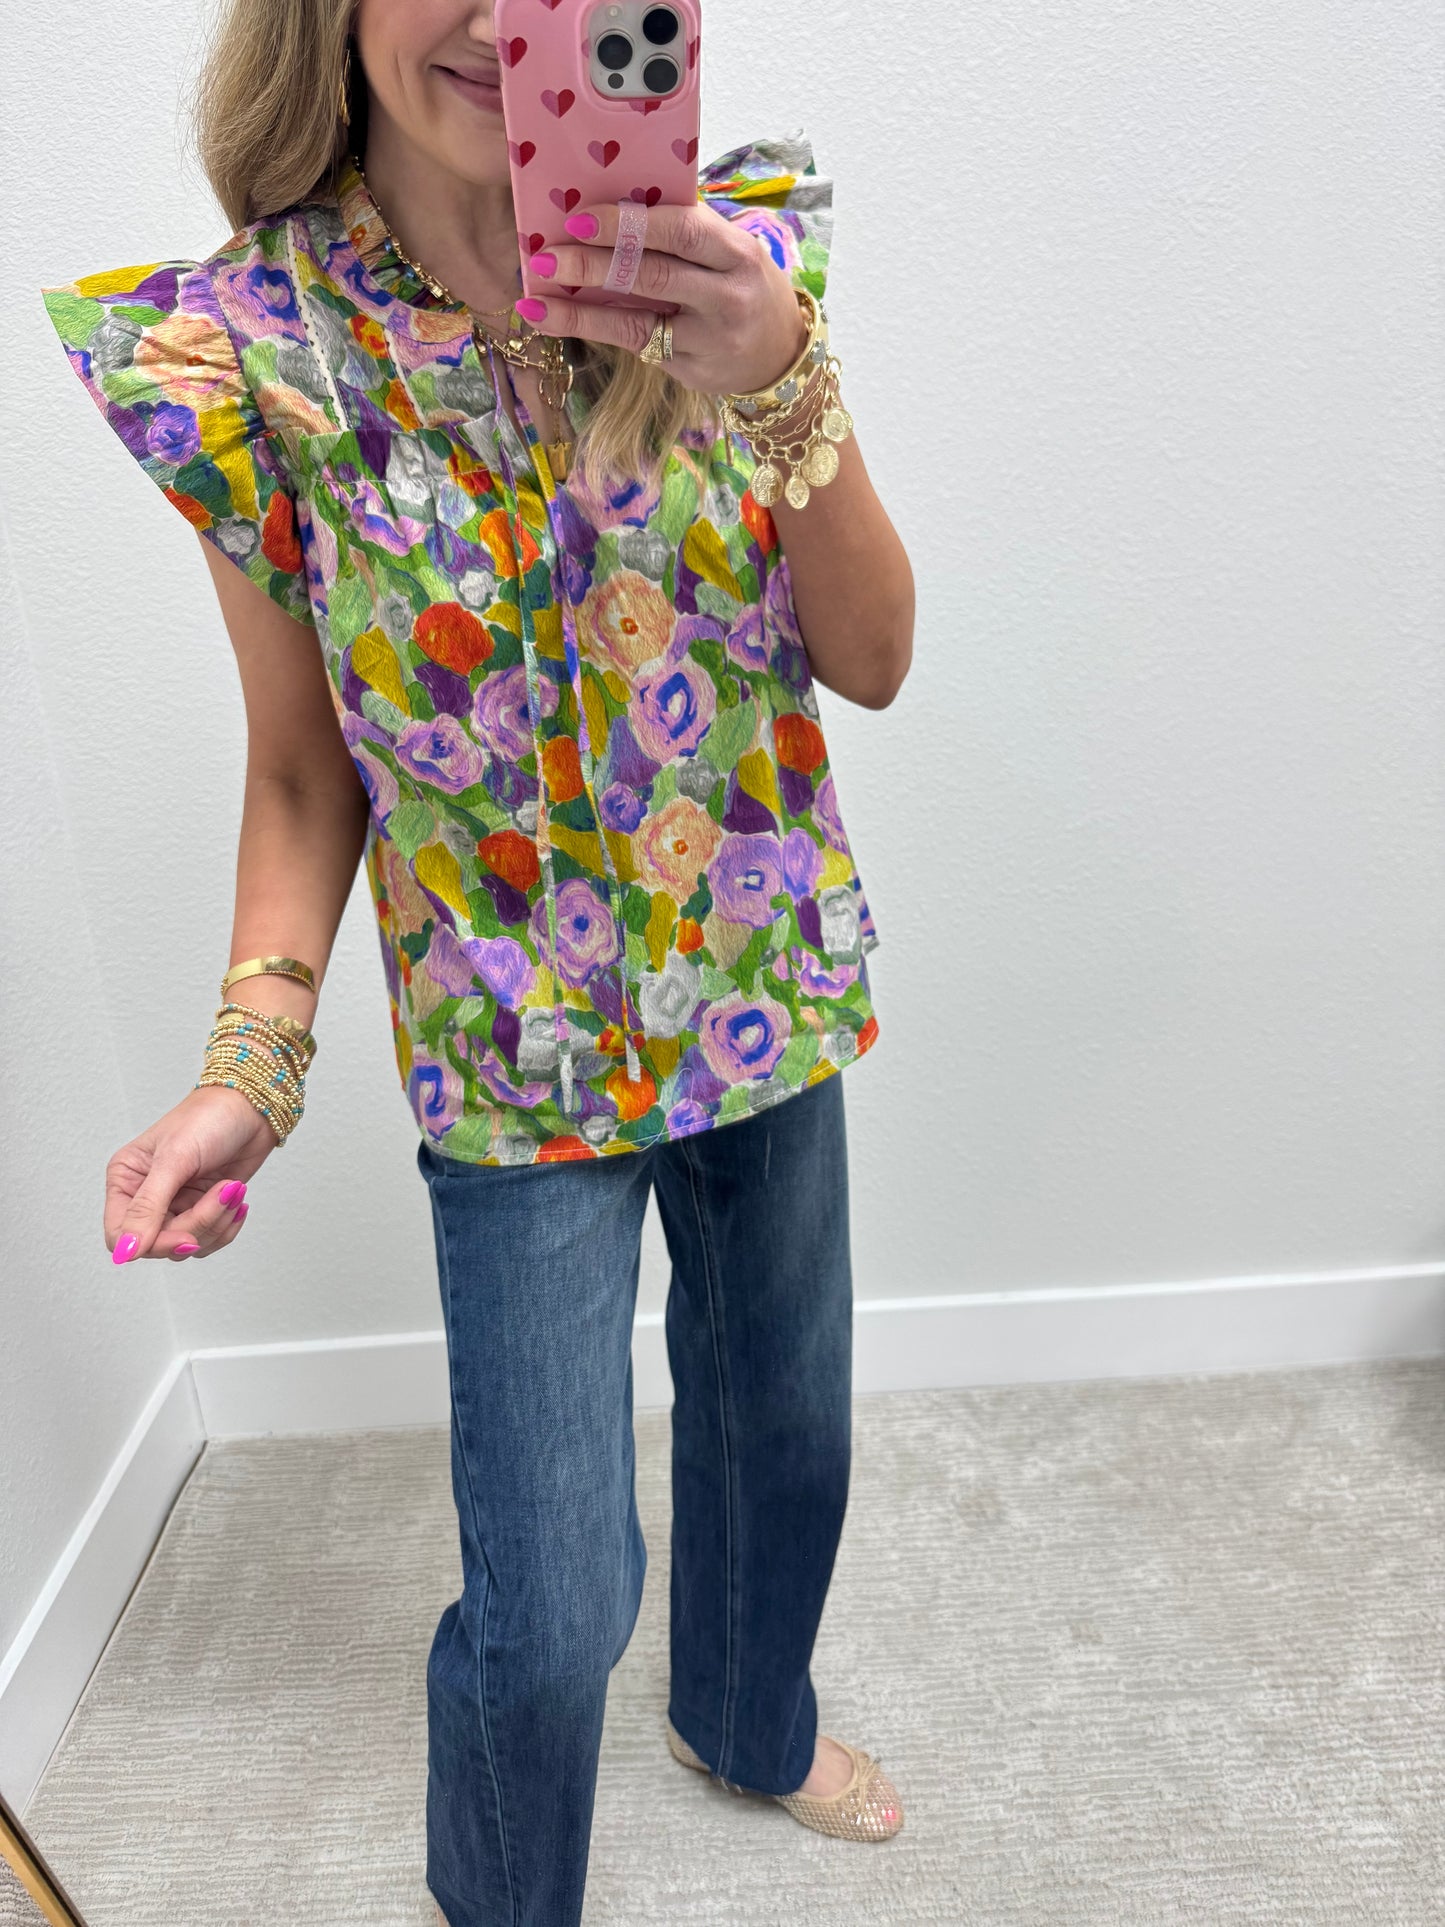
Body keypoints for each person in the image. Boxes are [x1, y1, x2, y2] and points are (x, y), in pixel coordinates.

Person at [41, 1, 915, 1920]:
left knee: (786, 1433)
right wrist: (248, 1069)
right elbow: (304, 767)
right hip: (512, 1062)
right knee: (549, 1604)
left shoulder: (728, 264)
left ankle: (746, 1719)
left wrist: (785, 379)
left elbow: (869, 660)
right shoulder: (254, 353)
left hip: (764, 988)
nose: (503, 18)